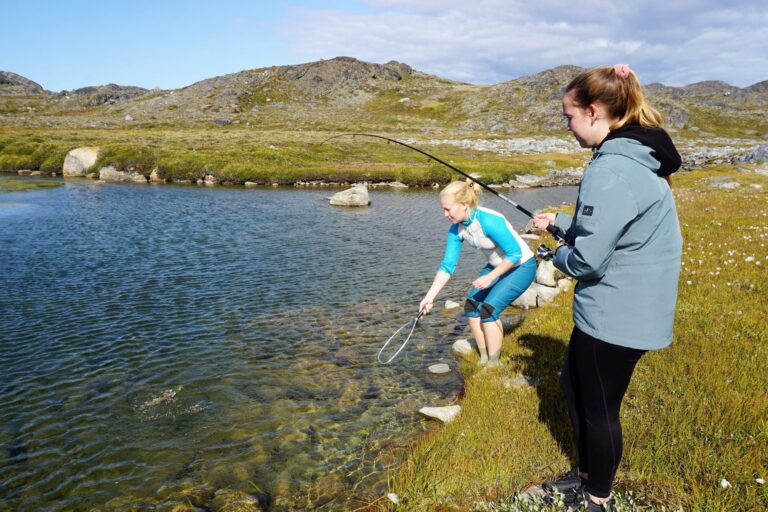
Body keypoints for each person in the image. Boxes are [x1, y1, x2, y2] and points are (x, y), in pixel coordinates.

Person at [533, 64, 682, 511]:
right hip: (622, 308)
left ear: (595, 112)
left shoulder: (613, 167)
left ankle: (596, 497)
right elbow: (611, 226)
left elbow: (587, 258)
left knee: (598, 408)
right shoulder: (634, 154)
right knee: (574, 388)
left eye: (569, 116)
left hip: (616, 315)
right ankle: (586, 475)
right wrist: (559, 223)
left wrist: (552, 255)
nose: (568, 125)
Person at [419, 179, 536, 367]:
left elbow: (515, 254)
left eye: (448, 209)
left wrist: (490, 277)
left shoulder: (489, 220)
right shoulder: (457, 229)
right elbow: (447, 266)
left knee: (489, 310)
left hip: (522, 266)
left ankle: (493, 363)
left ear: (464, 205)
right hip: (497, 265)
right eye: (443, 209)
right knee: (472, 307)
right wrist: (429, 297)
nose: (444, 214)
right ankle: (483, 357)